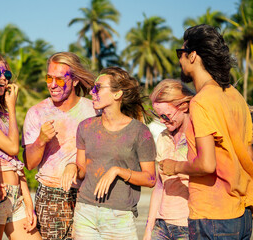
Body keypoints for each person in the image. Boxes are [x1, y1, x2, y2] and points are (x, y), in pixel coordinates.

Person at [160, 24, 253, 239]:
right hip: (242, 213)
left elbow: (207, 164)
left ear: (193, 56)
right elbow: (248, 154)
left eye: (180, 53)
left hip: (212, 214)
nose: (179, 59)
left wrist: (174, 166)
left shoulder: (201, 102)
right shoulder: (235, 97)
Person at [62, 67, 156, 240]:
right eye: (93, 88)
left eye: (98, 87)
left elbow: (150, 179)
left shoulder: (139, 132)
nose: (92, 92)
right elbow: (82, 169)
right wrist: (71, 167)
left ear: (117, 94)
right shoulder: (85, 127)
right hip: (85, 213)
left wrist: (117, 171)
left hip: (119, 217)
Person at [22, 52, 97, 240]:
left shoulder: (93, 111)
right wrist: (40, 140)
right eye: (49, 78)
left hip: (88, 195)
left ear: (75, 80)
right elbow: (29, 164)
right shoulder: (37, 113)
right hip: (51, 197)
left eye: (60, 79)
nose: (52, 85)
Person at [0, 51, 42, 240]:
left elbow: (14, 160)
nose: (3, 79)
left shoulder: (2, 113)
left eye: (7, 75)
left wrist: (27, 198)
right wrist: (12, 108)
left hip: (16, 196)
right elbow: (12, 147)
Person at [143, 79, 195, 240]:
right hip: (162, 224)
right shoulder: (163, 137)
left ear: (184, 106)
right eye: (158, 116)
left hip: (188, 224)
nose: (163, 121)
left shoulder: (199, 138)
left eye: (166, 115)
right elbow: (159, 186)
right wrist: (148, 229)